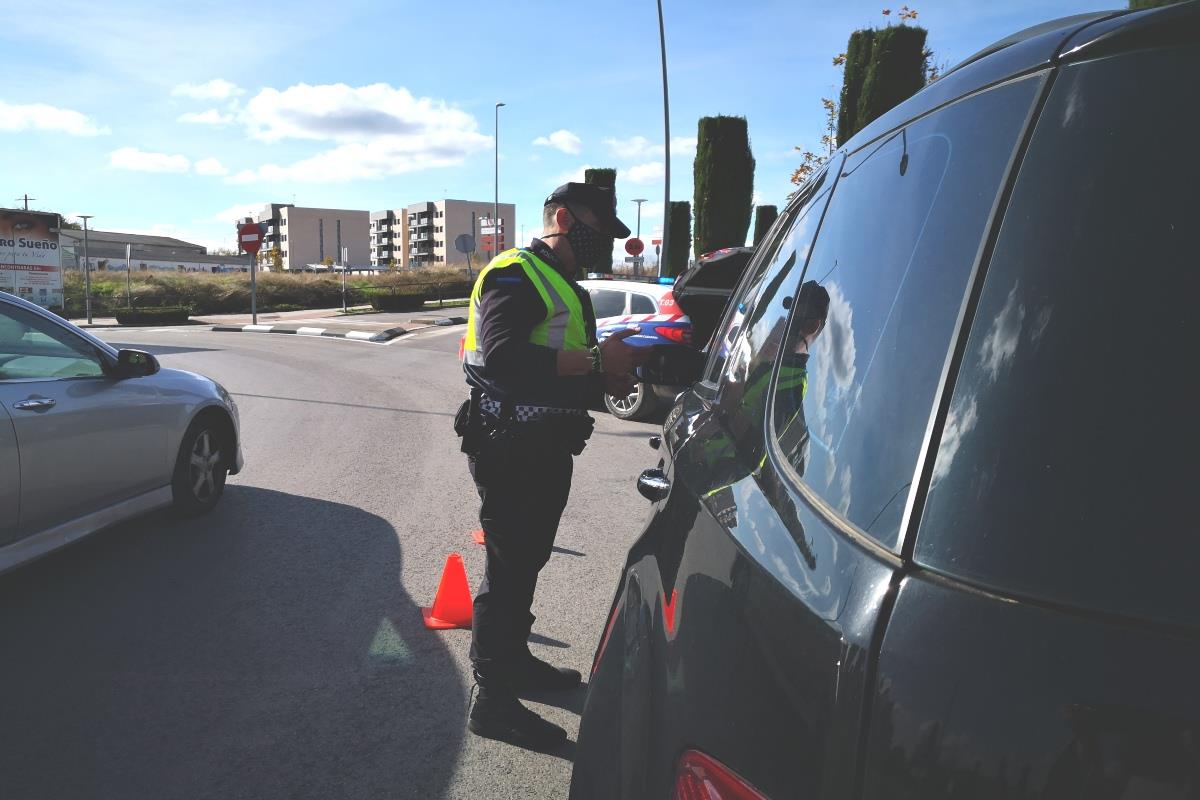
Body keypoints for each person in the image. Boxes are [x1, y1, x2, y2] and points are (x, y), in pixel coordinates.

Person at [456, 182, 649, 748]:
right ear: (563, 218)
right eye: (597, 228)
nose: (603, 242)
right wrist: (595, 358)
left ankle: (514, 662)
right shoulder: (516, 272)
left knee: (527, 562)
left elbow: (554, 370)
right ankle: (493, 701)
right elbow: (503, 357)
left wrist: (604, 379)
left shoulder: (565, 284)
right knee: (509, 570)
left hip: (544, 446)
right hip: (510, 446)